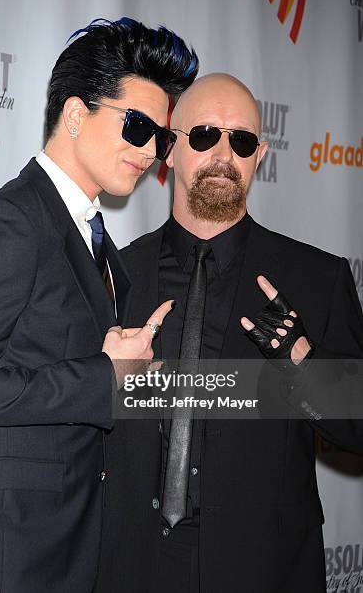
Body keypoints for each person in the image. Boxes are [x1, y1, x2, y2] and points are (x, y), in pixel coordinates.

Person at [0, 18, 198, 592]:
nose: (151, 153)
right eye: (137, 127)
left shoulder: (96, 243)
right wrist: (102, 377)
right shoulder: (9, 222)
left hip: (61, 546)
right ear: (74, 115)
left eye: (161, 139)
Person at [95, 73, 363, 593]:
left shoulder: (317, 279)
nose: (223, 153)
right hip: (130, 564)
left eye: (240, 140)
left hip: (262, 566)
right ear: (168, 150)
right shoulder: (113, 276)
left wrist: (303, 363)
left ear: (259, 156)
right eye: (203, 135)